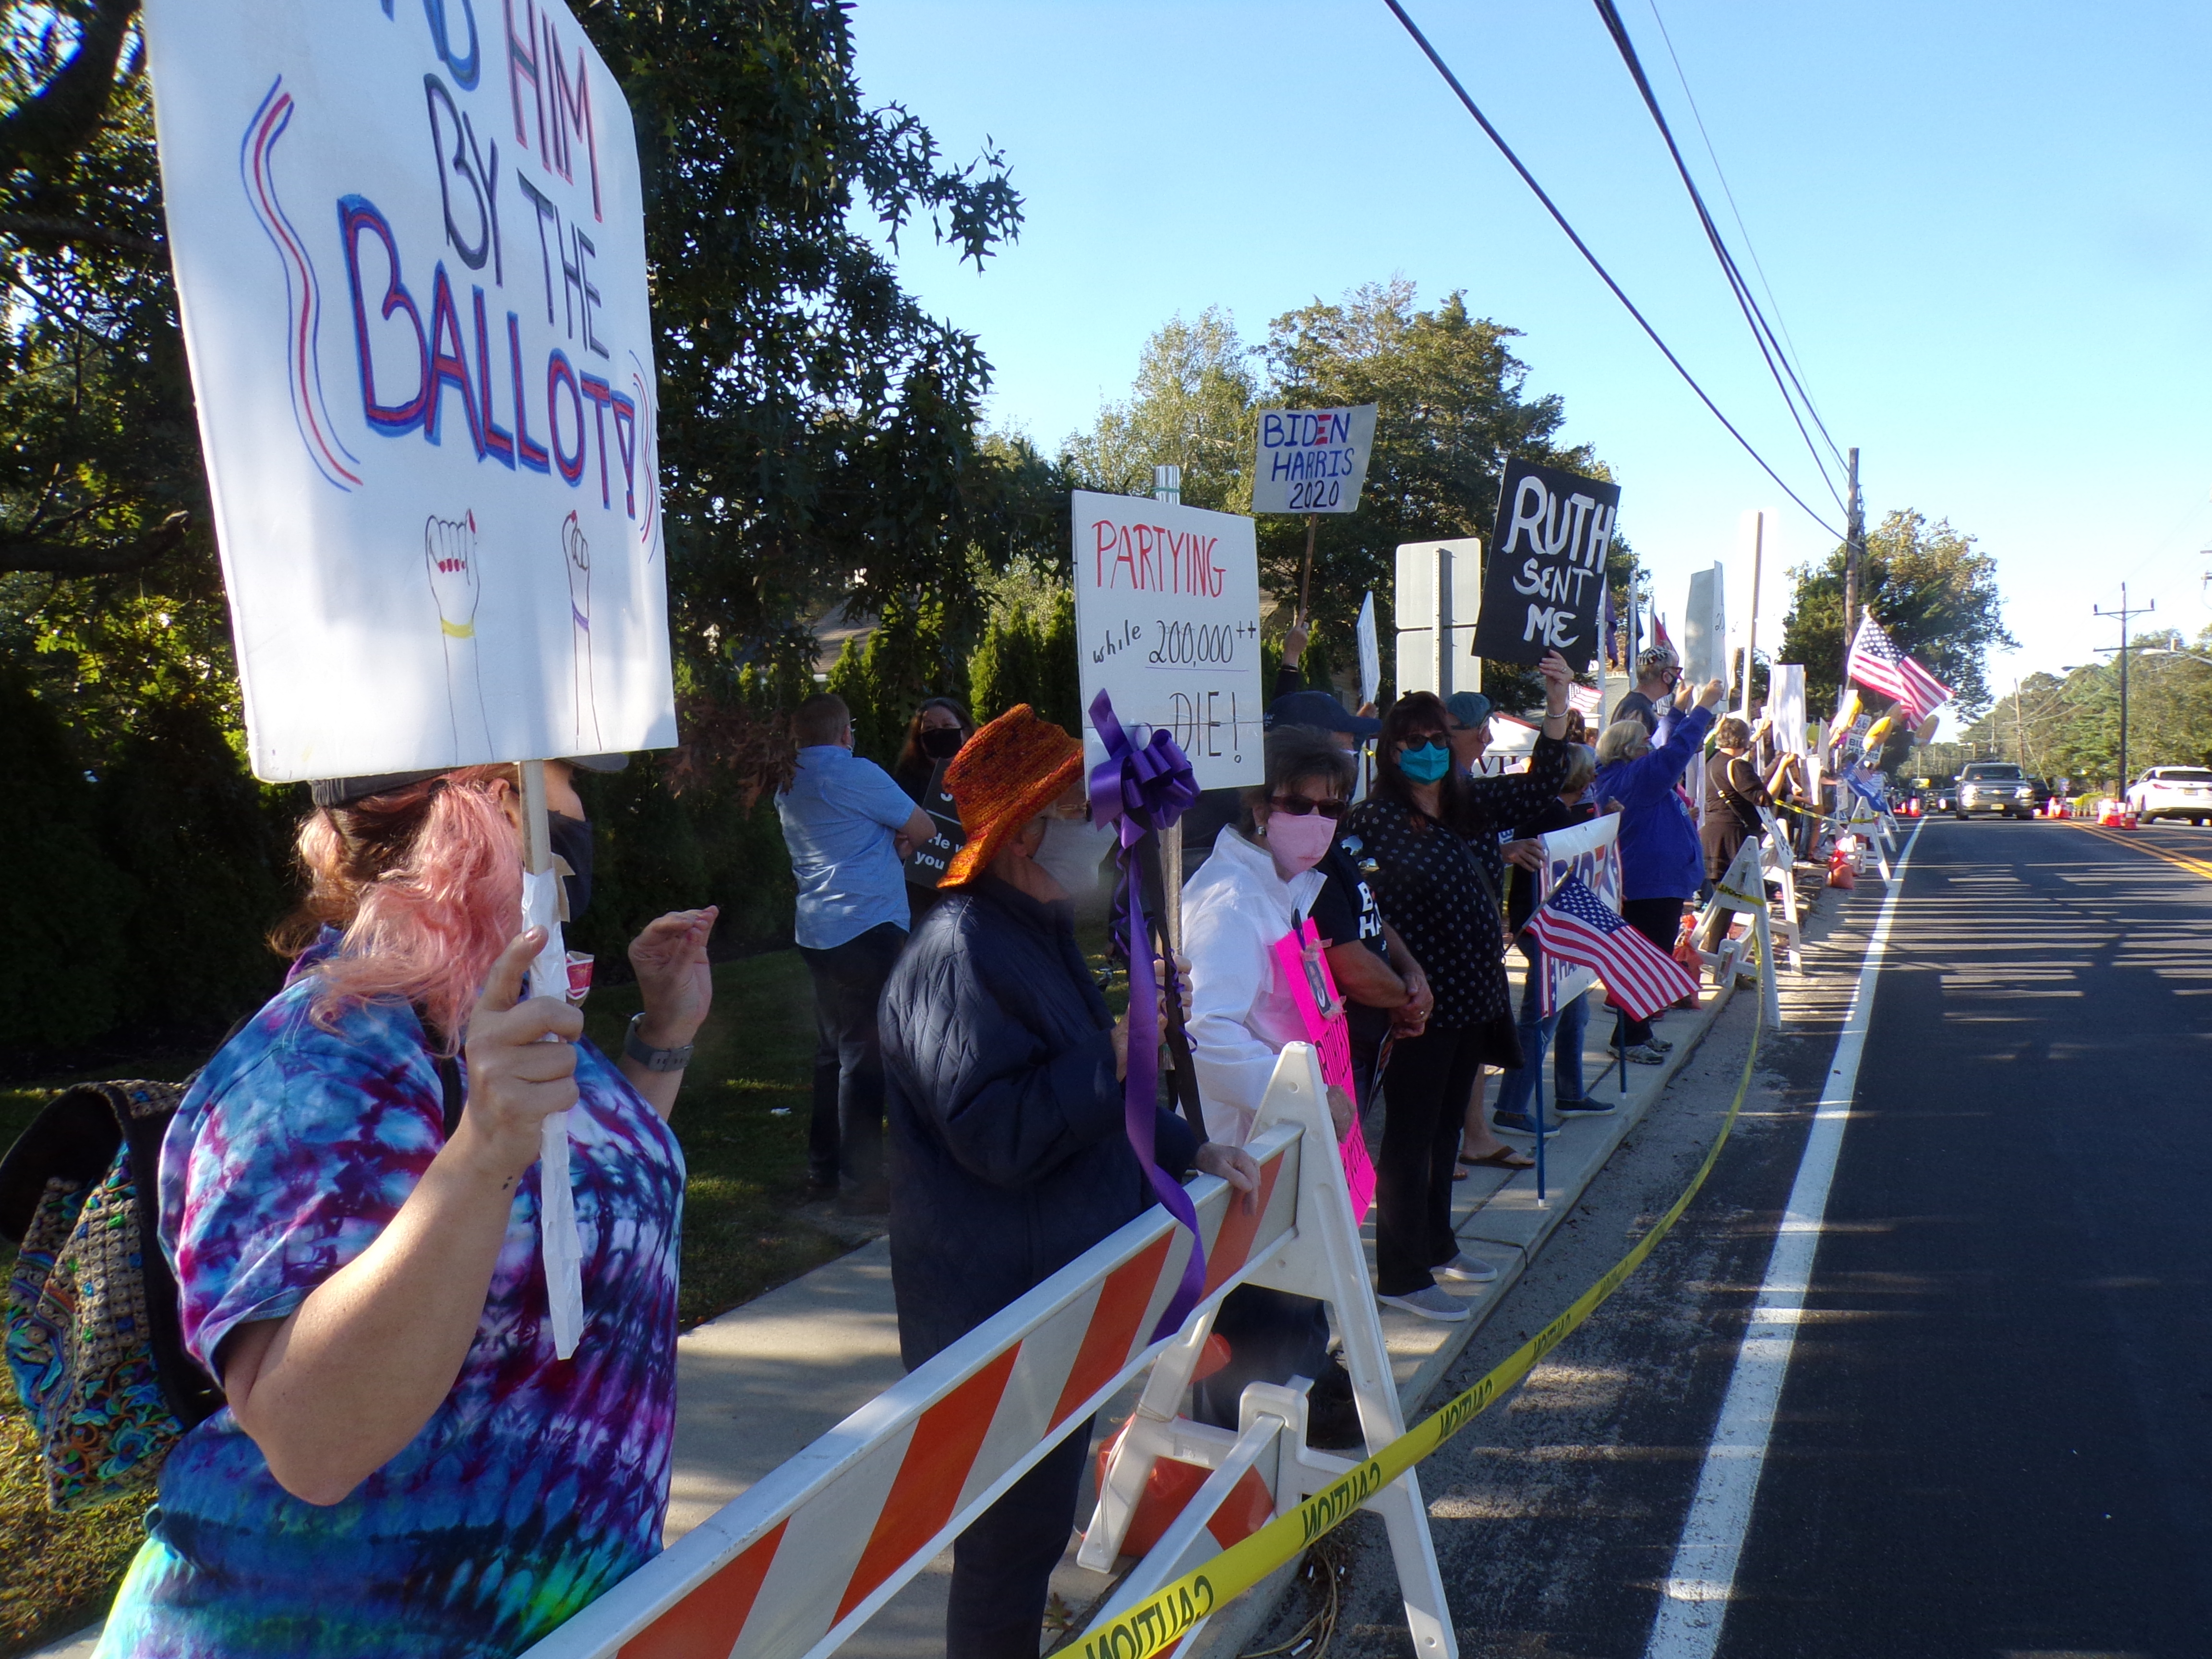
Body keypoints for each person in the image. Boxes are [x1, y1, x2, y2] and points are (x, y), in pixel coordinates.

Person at [99, 765, 716, 1659]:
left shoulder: (494, 1026)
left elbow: (573, 1214)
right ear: (480, 822)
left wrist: (665, 1036)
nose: (578, 865)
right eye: (557, 823)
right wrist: (482, 1149)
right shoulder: (318, 1059)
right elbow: (313, 1443)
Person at [878, 705, 1259, 1659]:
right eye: (1081, 812)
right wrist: (1112, 1052)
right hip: (997, 1311)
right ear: (1027, 838)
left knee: (1036, 1531)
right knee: (1008, 1546)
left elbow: (1105, 1091)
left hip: (1056, 1291)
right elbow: (998, 1135)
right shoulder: (958, 953)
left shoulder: (1032, 927)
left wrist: (1186, 1149)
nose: (1104, 827)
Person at [1341, 653, 1575, 1322]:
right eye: (1413, 742)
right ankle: (1402, 1274)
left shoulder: (1468, 805)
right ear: (1391, 751)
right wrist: (1404, 976)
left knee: (1447, 1131)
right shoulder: (1369, 821)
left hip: (1473, 996)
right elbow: (1365, 912)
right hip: (1416, 1006)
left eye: (1439, 739)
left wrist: (1556, 709)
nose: (1428, 751)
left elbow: (1541, 788)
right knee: (1410, 1139)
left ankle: (1438, 1244)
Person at [1180, 725, 1365, 1444]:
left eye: (1333, 808)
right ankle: (1239, 1506)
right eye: (1301, 804)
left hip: (1288, 1153)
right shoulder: (1229, 901)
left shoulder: (1284, 890)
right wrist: (1305, 1094)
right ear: (1261, 806)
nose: (1319, 822)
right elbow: (1208, 1038)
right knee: (1254, 1354)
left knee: (1292, 1339)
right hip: (1246, 1162)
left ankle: (1275, 1490)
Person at [776, 692, 937, 1211]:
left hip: (818, 930)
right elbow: (925, 828)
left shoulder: (789, 778)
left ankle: (822, 1171)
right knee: (863, 1060)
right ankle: (860, 1184)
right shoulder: (857, 773)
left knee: (831, 1055)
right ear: (845, 732)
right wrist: (899, 844)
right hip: (867, 925)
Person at [1590, 674, 1727, 1064]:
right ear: (1628, 750)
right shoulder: (1634, 778)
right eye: (1641, 745)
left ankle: (1639, 1030)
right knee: (1645, 962)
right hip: (1649, 885)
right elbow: (1674, 752)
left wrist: (1679, 709)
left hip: (1656, 883)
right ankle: (1628, 1037)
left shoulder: (1629, 775)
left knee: (1652, 960)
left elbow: (1665, 744)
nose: (1647, 750)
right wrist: (1704, 707)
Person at [1435, 687, 1542, 1173]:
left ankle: (1472, 1134)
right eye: (1480, 731)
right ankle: (1442, 1141)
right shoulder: (1441, 784)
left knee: (1472, 1040)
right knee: (1442, 1046)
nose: (1485, 740)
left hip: (1470, 937)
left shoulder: (1459, 783)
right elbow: (1432, 856)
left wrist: (1501, 851)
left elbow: (1456, 849)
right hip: (1441, 941)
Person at [1493, 745, 1601, 1131]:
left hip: (1551, 924)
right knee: (1540, 1017)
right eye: (1588, 772)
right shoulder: (1552, 814)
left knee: (1575, 1012)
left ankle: (1571, 1092)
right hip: (1547, 927)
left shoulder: (1556, 811)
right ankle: (1510, 1107)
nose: (1593, 779)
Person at [1702, 714, 1791, 884]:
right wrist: (1782, 768)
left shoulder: (1711, 762)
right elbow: (1765, 799)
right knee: (1736, 894)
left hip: (1712, 834)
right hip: (1734, 837)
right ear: (1743, 740)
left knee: (1717, 896)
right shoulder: (1737, 766)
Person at [892, 696, 975, 801]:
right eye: (930, 728)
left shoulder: (984, 775)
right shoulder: (905, 786)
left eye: (947, 725)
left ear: (966, 733)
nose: (938, 732)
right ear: (920, 739)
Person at [1611, 645, 1681, 735]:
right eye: (1676, 671)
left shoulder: (1636, 705)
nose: (1676, 677)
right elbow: (1635, 748)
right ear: (1666, 677)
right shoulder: (1639, 712)